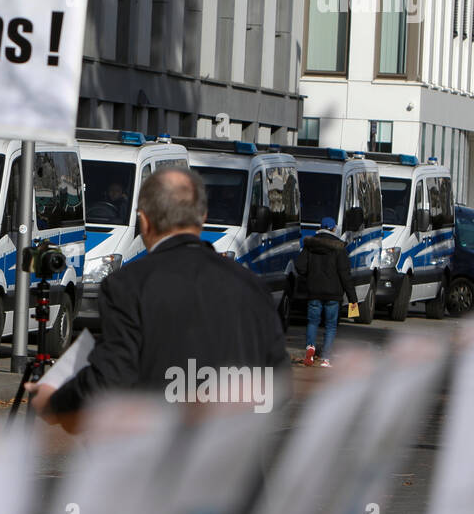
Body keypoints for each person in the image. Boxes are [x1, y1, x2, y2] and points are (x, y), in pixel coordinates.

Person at [29, 167, 287, 422]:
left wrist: (55, 401)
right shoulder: (252, 286)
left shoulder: (127, 286)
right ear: (203, 217)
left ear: (144, 221)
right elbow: (279, 385)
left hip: (157, 455)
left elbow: (110, 380)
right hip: (235, 457)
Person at [294, 215, 357, 368]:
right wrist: (352, 298)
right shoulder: (339, 248)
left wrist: (310, 276)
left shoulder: (310, 246)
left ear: (320, 227)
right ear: (334, 229)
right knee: (330, 326)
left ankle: (310, 347)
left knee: (313, 322)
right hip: (333, 295)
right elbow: (344, 275)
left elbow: (300, 267)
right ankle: (325, 359)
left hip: (314, 292)